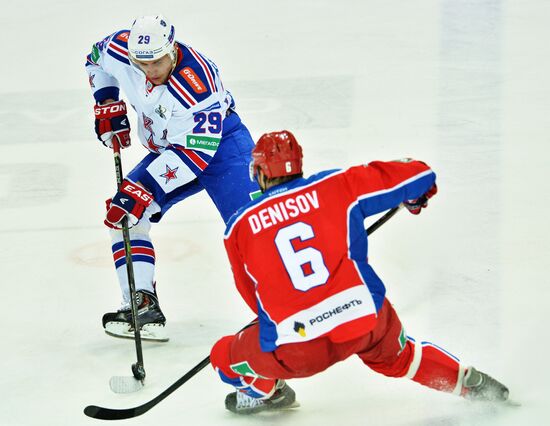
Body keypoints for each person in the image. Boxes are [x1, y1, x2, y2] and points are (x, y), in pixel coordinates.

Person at [210, 130, 509, 414]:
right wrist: (414, 197)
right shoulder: (336, 186)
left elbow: (253, 298)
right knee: (401, 358)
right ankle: (467, 383)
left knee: (223, 356)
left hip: (299, 348)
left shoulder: (239, 227)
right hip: (365, 322)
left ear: (260, 173)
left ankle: (268, 392)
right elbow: (419, 174)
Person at [85, 15, 260, 342]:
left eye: (158, 62)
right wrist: (107, 102)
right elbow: (95, 60)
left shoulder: (198, 83)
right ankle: (141, 304)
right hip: (171, 147)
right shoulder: (122, 49)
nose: (150, 70)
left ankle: (286, 300)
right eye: (142, 63)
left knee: (255, 226)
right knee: (126, 215)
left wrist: (145, 187)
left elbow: (199, 153)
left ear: (173, 49)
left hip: (222, 147)